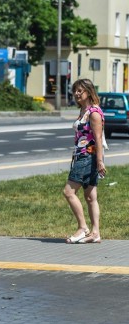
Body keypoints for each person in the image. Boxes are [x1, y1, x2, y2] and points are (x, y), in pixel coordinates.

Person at [64, 78, 106, 244]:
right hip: (82, 155)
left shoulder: (94, 113)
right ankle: (95, 233)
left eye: (80, 91)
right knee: (90, 196)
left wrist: (100, 161)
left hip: (87, 157)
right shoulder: (84, 110)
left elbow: (98, 138)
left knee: (68, 192)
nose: (76, 94)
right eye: (75, 91)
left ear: (89, 92)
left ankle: (83, 228)